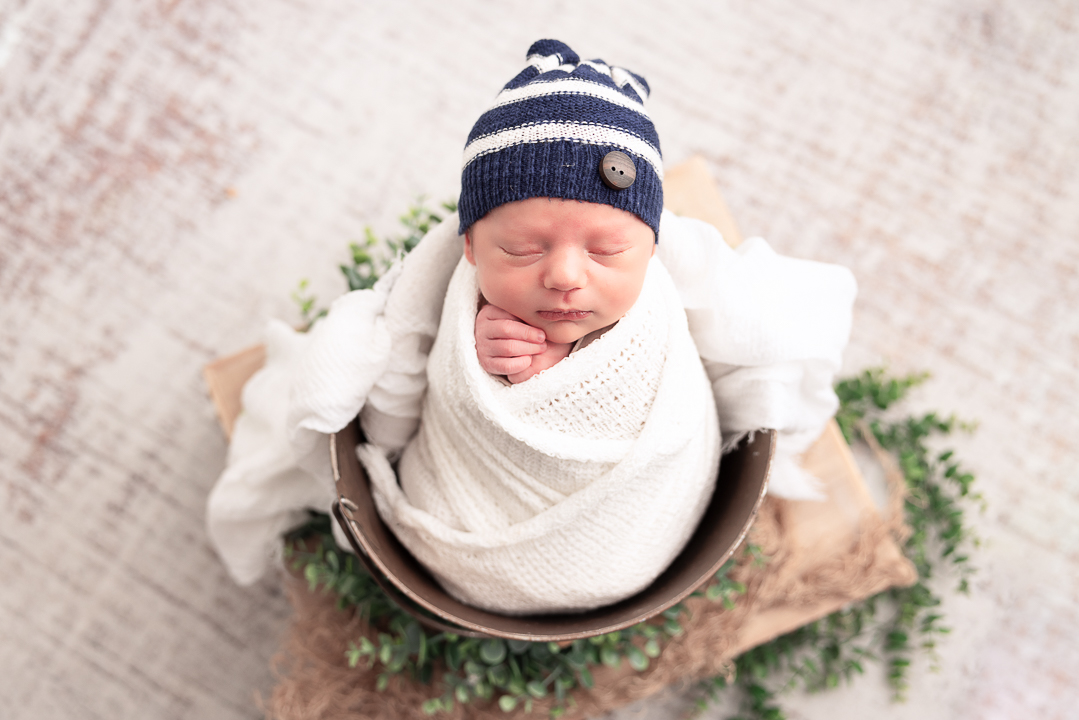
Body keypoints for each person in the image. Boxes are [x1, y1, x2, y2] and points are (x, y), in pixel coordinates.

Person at [207, 40, 857, 614]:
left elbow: (665, 396)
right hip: (467, 528)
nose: (565, 277)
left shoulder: (658, 309)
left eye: (606, 252)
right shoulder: (453, 307)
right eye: (521, 251)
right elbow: (414, 391)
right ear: (467, 248)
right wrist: (477, 360)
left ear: (653, 247)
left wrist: (558, 372)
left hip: (640, 526)